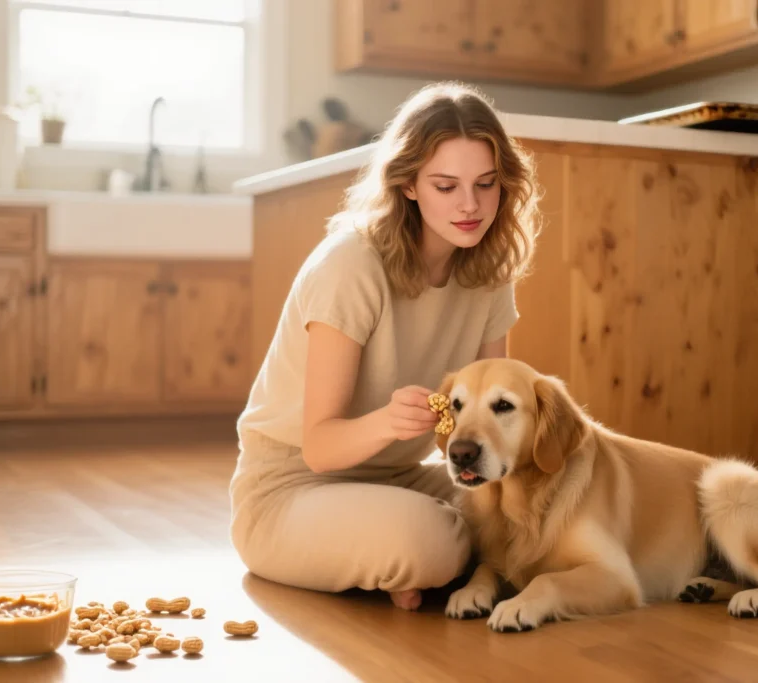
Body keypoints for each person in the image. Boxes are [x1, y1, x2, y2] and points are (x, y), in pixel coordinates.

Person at [228, 82, 543, 611]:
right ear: (409, 185)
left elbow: (490, 423)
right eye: (446, 186)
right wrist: (388, 423)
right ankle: (420, 559)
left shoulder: (489, 270)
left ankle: (405, 567)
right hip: (290, 491)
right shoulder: (350, 265)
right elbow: (320, 448)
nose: (470, 206)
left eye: (486, 184)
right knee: (434, 540)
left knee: (538, 506)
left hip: (401, 480)